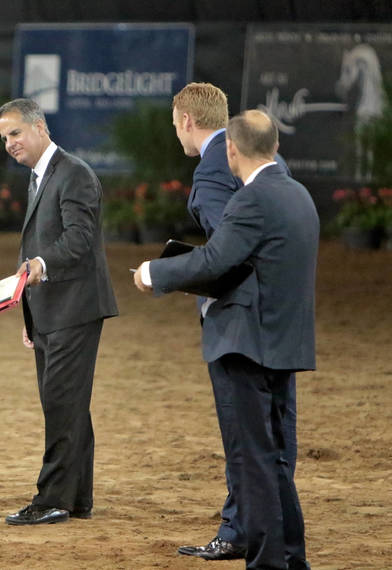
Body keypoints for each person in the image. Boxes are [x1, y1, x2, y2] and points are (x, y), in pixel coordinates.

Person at [134, 110, 316, 569]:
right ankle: (291, 559)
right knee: (273, 460)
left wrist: (154, 272)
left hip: (244, 343)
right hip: (283, 341)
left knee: (252, 460)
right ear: (274, 145)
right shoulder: (299, 195)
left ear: (232, 150)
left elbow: (215, 260)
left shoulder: (253, 200)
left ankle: (269, 562)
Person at [171, 83, 297, 561]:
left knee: (246, 436)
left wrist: (191, 280)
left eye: (176, 125)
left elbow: (229, 248)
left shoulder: (209, 170)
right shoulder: (269, 161)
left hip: (242, 325)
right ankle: (258, 528)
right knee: (274, 435)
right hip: (281, 320)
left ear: (186, 120)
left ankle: (240, 530)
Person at [0, 98, 118, 525]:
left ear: (40, 127)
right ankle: (76, 498)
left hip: (75, 309)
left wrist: (39, 266)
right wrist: (31, 316)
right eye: (4, 138)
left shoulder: (75, 174)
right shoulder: (41, 176)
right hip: (52, 311)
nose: (10, 143)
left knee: (61, 405)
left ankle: (51, 500)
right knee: (68, 405)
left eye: (15, 133)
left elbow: (79, 239)